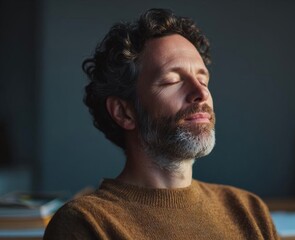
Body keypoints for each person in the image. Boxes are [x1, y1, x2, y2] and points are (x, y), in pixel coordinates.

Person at [44, 8, 279, 239]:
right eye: (172, 80)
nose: (201, 93)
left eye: (203, 79)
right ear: (124, 112)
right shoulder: (86, 223)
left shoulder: (249, 210)